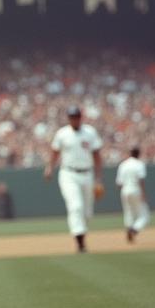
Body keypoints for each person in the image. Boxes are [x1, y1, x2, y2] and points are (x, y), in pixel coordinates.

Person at [44, 105, 102, 253]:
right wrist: (50, 167)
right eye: (72, 117)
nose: (74, 120)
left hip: (87, 174)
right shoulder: (62, 134)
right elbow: (55, 152)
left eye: (76, 117)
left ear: (80, 117)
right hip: (68, 174)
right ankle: (80, 241)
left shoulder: (90, 132)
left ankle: (81, 233)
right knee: (75, 206)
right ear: (68, 119)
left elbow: (97, 156)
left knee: (87, 212)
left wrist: (98, 178)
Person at [116, 146, 151, 243]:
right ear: (138, 154)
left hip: (125, 190)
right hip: (136, 189)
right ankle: (133, 230)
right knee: (144, 216)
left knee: (128, 212)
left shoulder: (123, 164)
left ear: (130, 153)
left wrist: (123, 192)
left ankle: (129, 229)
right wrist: (143, 193)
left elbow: (119, 184)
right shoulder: (139, 164)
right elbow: (141, 180)